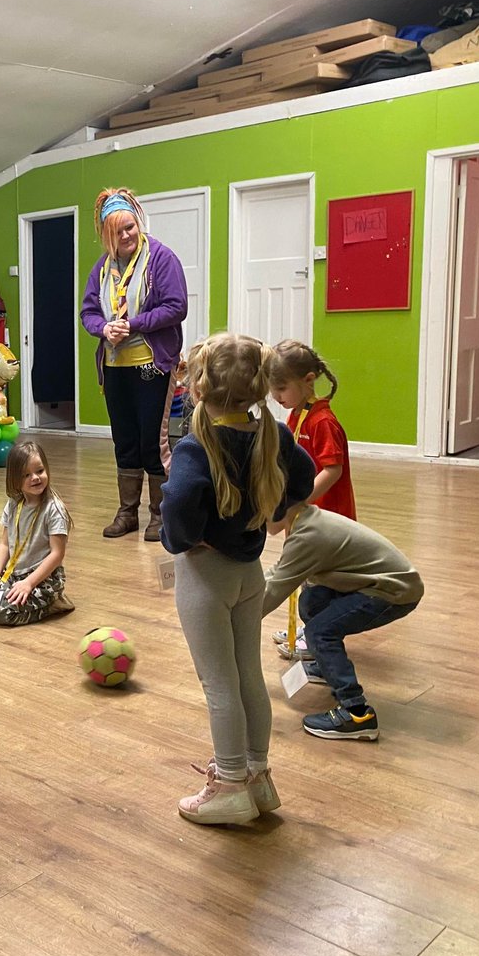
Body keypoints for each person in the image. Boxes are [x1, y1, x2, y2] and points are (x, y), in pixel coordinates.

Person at [161, 333, 314, 825]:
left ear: (200, 391)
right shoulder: (274, 433)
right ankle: (257, 778)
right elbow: (305, 480)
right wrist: (267, 509)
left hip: (207, 579)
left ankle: (229, 784)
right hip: (251, 574)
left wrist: (189, 539)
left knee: (219, 684)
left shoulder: (194, 448)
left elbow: (178, 509)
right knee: (250, 675)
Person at [79, 188, 188, 543]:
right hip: (114, 365)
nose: (127, 235)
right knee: (124, 441)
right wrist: (103, 327)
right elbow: (88, 312)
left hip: (151, 365)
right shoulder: (103, 268)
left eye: (130, 227)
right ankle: (127, 512)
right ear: (106, 235)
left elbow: (176, 306)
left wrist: (134, 324)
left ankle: (160, 514)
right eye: (118, 231)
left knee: (151, 443)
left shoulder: (161, 258)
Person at [264, 503, 424, 741]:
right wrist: (244, 590)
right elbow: (279, 571)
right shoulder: (304, 520)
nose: (259, 519)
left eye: (260, 510)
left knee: (319, 632)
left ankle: (357, 713)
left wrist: (234, 621)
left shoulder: (308, 535)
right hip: (378, 582)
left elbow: (275, 590)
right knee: (312, 600)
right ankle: (325, 663)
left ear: (277, 505)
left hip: (394, 591)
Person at [268, 340, 356, 658]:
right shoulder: (296, 416)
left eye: (281, 388)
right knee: (308, 579)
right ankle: (308, 629)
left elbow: (332, 470)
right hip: (305, 516)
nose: (277, 397)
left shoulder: (323, 422)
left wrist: (300, 498)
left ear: (308, 381)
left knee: (321, 584)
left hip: (326, 517)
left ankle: (318, 637)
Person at [0, 441, 75, 626]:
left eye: (40, 471)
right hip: (14, 574)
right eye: (26, 475)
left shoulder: (54, 509)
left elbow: (57, 554)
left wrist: (29, 583)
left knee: (2, 613)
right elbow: (4, 544)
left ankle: (53, 603)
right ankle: (18, 597)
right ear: (14, 479)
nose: (35, 478)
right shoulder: (13, 505)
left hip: (44, 578)